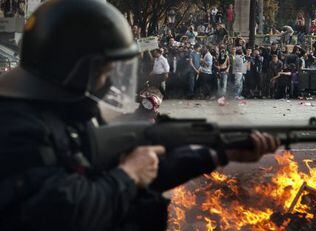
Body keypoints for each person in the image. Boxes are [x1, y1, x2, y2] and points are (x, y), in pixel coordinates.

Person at [0, 1, 279, 231]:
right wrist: (128, 175)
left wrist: (218, 155)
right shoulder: (16, 126)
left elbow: (131, 174)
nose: (108, 80)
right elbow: (60, 212)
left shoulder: (60, 111)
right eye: (105, 70)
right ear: (74, 67)